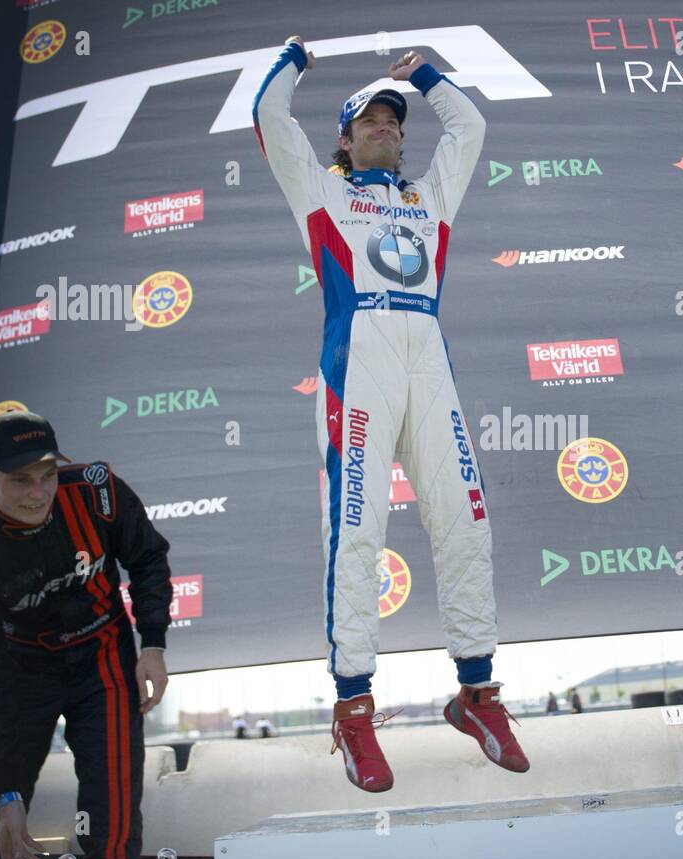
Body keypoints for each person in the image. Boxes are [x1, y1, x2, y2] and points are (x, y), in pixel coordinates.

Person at [254, 36, 528, 792]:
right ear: (343, 138)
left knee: (465, 519)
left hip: (428, 359)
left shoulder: (429, 196)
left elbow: (469, 129)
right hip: (358, 363)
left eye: (395, 121)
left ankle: (476, 693)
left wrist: (427, 78)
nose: (387, 127)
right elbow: (266, 114)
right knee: (358, 530)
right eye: (371, 120)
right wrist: (295, 60)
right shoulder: (321, 190)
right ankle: (352, 711)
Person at [0, 411, 171, 859]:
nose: (39, 493)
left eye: (46, 476)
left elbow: (148, 558)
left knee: (113, 818)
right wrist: (6, 792)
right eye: (21, 480)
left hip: (102, 656)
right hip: (20, 672)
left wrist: (154, 645)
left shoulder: (97, 492)